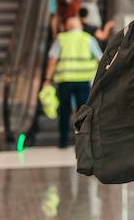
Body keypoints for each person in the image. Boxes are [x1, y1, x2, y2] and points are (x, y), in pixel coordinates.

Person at [43, 16, 103, 148]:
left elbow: (52, 59)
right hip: (84, 79)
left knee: (64, 110)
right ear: (80, 26)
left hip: (65, 80)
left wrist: (47, 78)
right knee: (83, 111)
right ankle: (83, 141)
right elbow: (100, 58)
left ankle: (63, 141)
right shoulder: (88, 38)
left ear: (67, 27)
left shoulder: (61, 38)